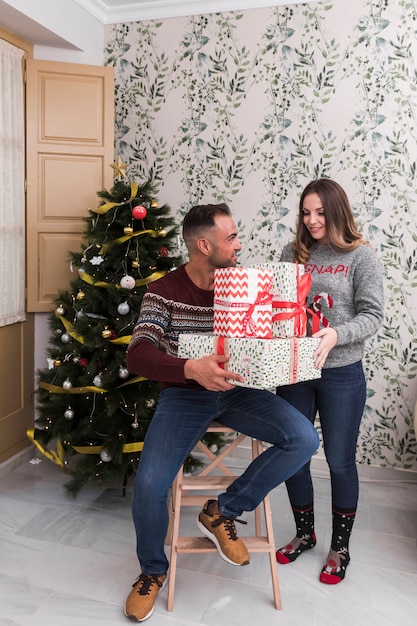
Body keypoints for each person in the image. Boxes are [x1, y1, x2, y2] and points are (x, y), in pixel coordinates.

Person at [124, 203, 319, 621]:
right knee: (149, 486)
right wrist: (189, 368)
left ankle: (222, 511)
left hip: (237, 391)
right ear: (203, 244)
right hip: (185, 394)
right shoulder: (165, 291)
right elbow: (137, 355)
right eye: (231, 238)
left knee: (303, 438)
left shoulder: (246, 283)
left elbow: (270, 335)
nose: (239, 245)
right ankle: (152, 571)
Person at [275, 179, 384, 584]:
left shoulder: (361, 257)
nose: (312, 220)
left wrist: (337, 334)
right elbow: (278, 306)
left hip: (341, 372)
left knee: (339, 461)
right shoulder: (292, 253)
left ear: (337, 211)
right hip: (295, 371)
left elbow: (373, 315)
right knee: (294, 453)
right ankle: (304, 535)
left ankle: (339, 548)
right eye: (306, 212)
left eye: (320, 212)